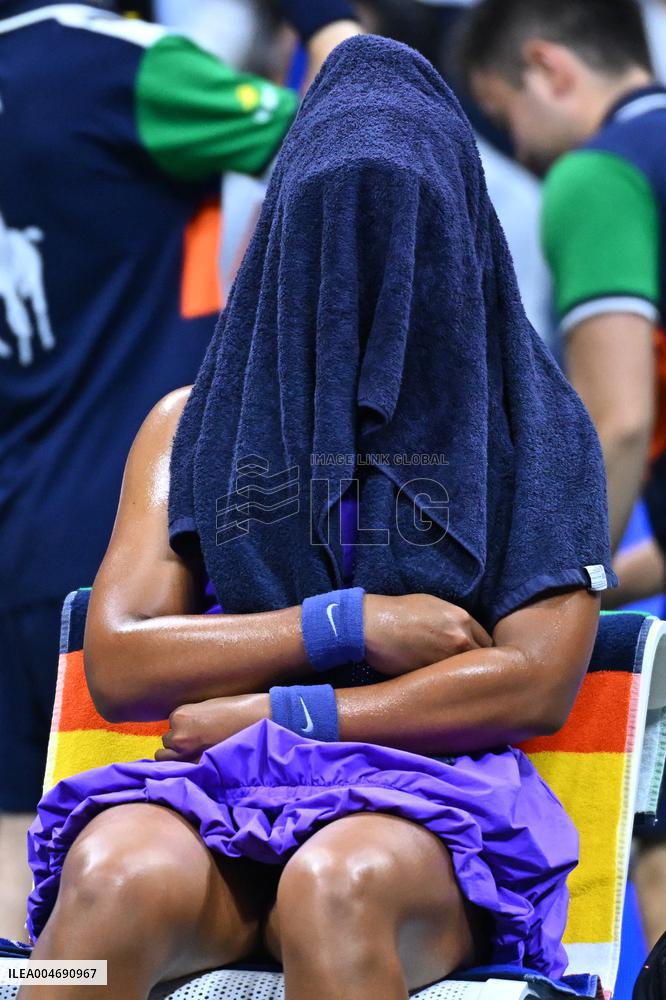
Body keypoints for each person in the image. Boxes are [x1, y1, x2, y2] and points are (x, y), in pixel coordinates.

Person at [20, 35, 614, 1000]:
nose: (359, 279)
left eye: (398, 231)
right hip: (220, 791)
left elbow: (536, 682)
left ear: (458, 233)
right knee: (105, 888)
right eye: (329, 233)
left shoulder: (535, 430)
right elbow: (120, 658)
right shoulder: (189, 429)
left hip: (430, 801)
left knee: (334, 890)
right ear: (284, 236)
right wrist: (344, 622)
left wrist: (286, 711)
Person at [0, 0, 360, 942]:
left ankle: (50, 987)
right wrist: (320, 21)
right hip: (135, 541)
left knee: (23, 855)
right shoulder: (122, 67)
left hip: (18, 537)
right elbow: (352, 144)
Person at [456, 0, 666, 947]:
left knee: (652, 869)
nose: (522, 153)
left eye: (506, 118)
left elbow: (618, 422)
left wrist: (560, 591)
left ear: (549, 67)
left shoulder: (600, 172)